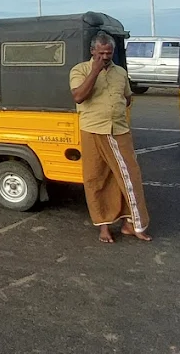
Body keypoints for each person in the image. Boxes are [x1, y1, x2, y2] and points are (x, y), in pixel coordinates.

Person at [70, 33, 151, 244]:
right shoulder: (80, 70)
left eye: (109, 53)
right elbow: (78, 96)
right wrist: (95, 71)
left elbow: (127, 97)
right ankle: (104, 226)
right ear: (92, 51)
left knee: (129, 176)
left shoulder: (120, 72)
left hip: (119, 130)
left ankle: (132, 224)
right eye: (101, 53)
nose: (106, 57)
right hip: (93, 130)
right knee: (96, 178)